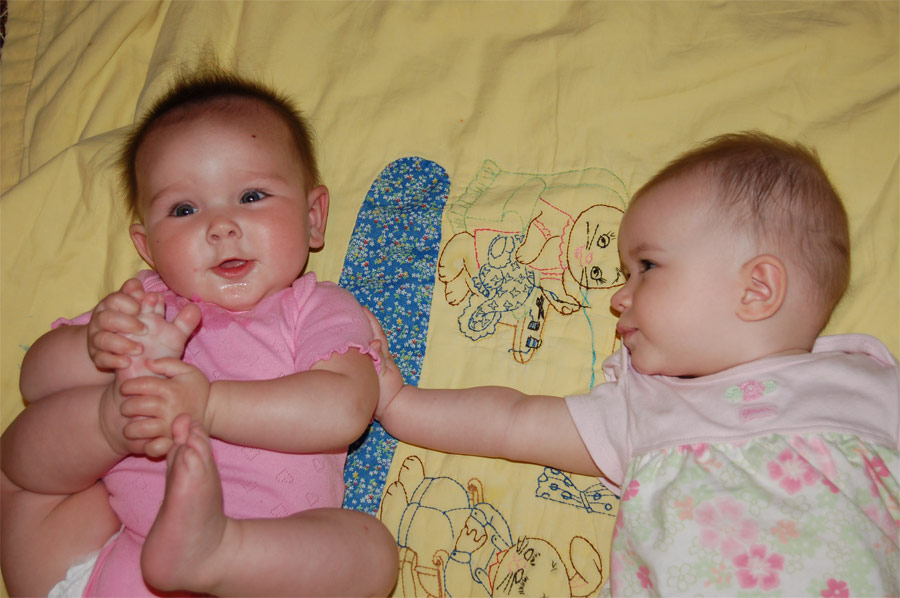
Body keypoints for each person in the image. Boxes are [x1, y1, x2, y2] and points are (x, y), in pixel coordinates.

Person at [370, 132, 899, 596]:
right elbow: (513, 422)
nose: (619, 297)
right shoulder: (647, 407)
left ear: (757, 288)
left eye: (647, 266)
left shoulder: (870, 388)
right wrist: (400, 404)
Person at [1, 66, 398, 597]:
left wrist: (205, 405)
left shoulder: (314, 308)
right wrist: (98, 351)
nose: (219, 226)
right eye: (183, 209)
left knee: (371, 550)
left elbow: (344, 409)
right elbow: (33, 381)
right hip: (119, 573)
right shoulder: (144, 308)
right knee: (19, 464)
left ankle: (219, 552)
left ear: (313, 217)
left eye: (251, 196)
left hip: (264, 574)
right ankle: (116, 422)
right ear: (147, 246)